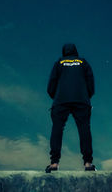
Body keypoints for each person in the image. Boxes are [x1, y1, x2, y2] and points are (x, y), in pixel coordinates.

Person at [45, 43, 96, 173]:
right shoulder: (83, 62)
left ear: (64, 52)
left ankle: (54, 163)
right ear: (75, 51)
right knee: (84, 128)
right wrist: (86, 95)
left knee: (57, 128)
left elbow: (52, 83)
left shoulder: (59, 62)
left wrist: (56, 96)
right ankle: (88, 163)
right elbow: (90, 81)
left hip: (61, 99)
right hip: (81, 99)